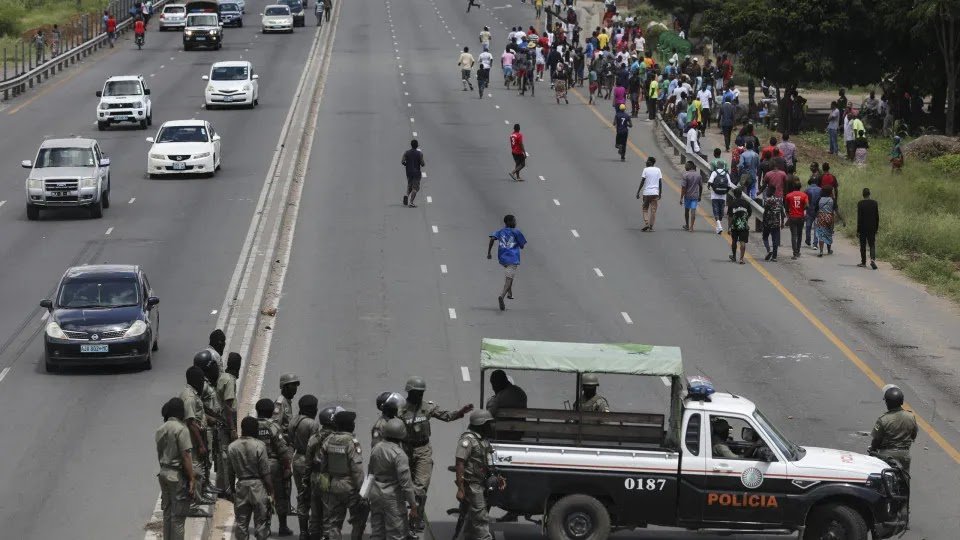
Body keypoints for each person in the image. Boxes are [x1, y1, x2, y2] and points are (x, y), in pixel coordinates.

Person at [320, 410, 367, 540]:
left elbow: (322, 467)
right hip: (350, 487)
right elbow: (357, 469)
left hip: (334, 486)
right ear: (349, 425)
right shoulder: (352, 442)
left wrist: (326, 488)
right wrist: (363, 493)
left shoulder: (328, 441)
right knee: (358, 520)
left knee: (334, 523)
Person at [368, 418, 418, 540]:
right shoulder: (399, 455)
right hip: (392, 498)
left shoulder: (376, 447)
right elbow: (406, 484)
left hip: (375, 494)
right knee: (396, 534)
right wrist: (413, 505)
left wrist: (366, 493)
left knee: (377, 532)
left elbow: (370, 472)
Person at [227, 416, 275, 540]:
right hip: (258, 486)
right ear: (255, 430)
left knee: (241, 524)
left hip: (241, 486)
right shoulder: (260, 445)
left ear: (242, 429)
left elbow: (230, 472)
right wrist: (271, 492)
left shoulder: (232, 447)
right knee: (261, 523)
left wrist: (232, 490)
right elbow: (265, 472)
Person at [156, 398, 197, 540]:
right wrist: (191, 478)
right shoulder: (181, 429)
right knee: (178, 518)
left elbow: (159, 453)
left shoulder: (160, 429)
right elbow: (186, 456)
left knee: (167, 514)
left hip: (163, 473)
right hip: (176, 476)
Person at [455, 411, 497, 540]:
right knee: (481, 518)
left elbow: (487, 460)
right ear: (480, 424)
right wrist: (460, 488)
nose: (491, 427)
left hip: (480, 483)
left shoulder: (482, 439)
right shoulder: (467, 440)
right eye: (488, 424)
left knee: (471, 519)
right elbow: (460, 463)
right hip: (472, 485)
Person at [255, 398, 294, 536]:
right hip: (273, 465)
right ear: (271, 412)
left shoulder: (251, 425)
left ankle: (264, 527)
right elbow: (282, 450)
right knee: (280, 495)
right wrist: (287, 467)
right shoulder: (273, 426)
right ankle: (282, 527)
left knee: (261, 497)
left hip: (255, 466)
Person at [180, 367, 215, 511]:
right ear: (195, 380)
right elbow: (191, 422)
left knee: (200, 466)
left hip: (197, 436)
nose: (202, 383)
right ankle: (194, 503)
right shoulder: (189, 397)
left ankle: (200, 497)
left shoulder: (193, 393)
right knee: (195, 469)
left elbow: (198, 415)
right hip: (192, 439)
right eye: (201, 380)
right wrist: (201, 444)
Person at [306, 407, 341, 538]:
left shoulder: (314, 438)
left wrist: (306, 480)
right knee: (329, 514)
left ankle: (314, 535)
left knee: (315, 513)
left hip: (314, 476)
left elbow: (308, 462)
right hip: (328, 477)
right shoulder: (336, 438)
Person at [290, 395, 320, 538]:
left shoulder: (293, 420)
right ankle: (314, 530)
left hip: (296, 459)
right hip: (308, 461)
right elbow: (314, 446)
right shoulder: (312, 424)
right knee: (313, 495)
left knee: (301, 495)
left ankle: (303, 532)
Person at [869, 387, 918, 473]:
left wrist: (873, 450)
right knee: (905, 478)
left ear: (887, 403)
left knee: (882, 477)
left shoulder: (883, 419)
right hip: (904, 454)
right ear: (902, 402)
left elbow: (876, 440)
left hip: (886, 454)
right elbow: (914, 435)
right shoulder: (911, 417)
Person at [487, 214, 527, 311]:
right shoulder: (516, 232)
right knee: (508, 280)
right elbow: (522, 246)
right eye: (514, 221)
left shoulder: (500, 231)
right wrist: (518, 244)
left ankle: (510, 293)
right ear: (509, 222)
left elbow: (492, 238)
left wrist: (489, 252)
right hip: (512, 258)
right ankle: (502, 296)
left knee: (510, 275)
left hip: (502, 258)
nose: (515, 222)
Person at [216, 352, 241, 495]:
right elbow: (228, 406)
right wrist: (232, 429)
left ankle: (221, 487)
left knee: (221, 456)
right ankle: (228, 489)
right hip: (226, 423)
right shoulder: (230, 380)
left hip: (221, 421)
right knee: (227, 456)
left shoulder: (223, 377)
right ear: (237, 366)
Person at [636, 156, 662, 232]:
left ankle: (646, 222)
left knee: (645, 209)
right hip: (655, 193)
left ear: (650, 162)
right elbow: (660, 182)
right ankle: (651, 227)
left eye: (647, 161)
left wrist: (638, 191)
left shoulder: (645, 170)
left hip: (646, 193)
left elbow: (642, 181)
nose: (646, 162)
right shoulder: (658, 170)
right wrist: (660, 193)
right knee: (653, 210)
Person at [815, 185, 842, 257]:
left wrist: (817, 216)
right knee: (829, 233)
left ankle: (821, 251)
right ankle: (829, 250)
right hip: (830, 217)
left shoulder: (819, 199)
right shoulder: (832, 199)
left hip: (821, 217)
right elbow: (836, 211)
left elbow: (816, 210)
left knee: (821, 234)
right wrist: (841, 219)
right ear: (830, 192)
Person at [707, 163, 734, 234]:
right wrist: (726, 191)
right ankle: (718, 227)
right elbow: (730, 185)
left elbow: (710, 181)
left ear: (717, 167)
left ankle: (719, 226)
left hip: (714, 195)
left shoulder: (714, 172)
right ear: (723, 167)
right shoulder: (726, 174)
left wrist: (709, 187)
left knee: (715, 211)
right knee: (721, 211)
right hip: (723, 196)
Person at [784, 181, 808, 259]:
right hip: (801, 217)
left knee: (793, 235)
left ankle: (795, 253)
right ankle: (798, 250)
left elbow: (786, 206)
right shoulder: (804, 195)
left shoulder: (788, 195)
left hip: (792, 217)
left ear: (793, 187)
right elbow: (807, 205)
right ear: (800, 187)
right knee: (800, 234)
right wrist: (802, 209)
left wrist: (788, 212)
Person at [857, 188, 879, 269]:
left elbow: (859, 218)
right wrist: (876, 228)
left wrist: (858, 230)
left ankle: (863, 262)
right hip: (872, 227)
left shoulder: (860, 203)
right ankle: (872, 260)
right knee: (872, 244)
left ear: (863, 194)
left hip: (863, 227)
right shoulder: (874, 203)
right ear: (869, 194)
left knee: (863, 245)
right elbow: (877, 217)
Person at [761, 185, 785, 261]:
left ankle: (768, 250)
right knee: (775, 240)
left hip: (768, 223)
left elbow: (765, 212)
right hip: (777, 223)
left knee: (765, 237)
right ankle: (774, 257)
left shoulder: (768, 201)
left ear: (769, 191)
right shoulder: (779, 200)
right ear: (774, 191)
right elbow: (782, 212)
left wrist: (763, 222)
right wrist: (782, 222)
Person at [728, 187, 751, 264]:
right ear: (741, 194)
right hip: (743, 225)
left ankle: (734, 256)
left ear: (734, 194)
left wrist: (729, 227)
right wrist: (745, 219)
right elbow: (749, 213)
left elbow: (730, 217)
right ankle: (741, 259)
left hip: (734, 226)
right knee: (742, 242)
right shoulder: (746, 203)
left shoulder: (732, 203)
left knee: (734, 241)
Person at [401, 139, 425, 207]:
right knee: (415, 188)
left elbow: (402, 161)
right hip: (416, 173)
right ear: (417, 145)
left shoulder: (406, 152)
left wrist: (407, 165)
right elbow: (422, 164)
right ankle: (411, 202)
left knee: (410, 185)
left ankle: (406, 195)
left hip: (409, 172)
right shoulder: (419, 153)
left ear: (411, 145)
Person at [680, 161, 701, 232]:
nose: (685, 167)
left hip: (687, 196)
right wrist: (700, 195)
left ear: (690, 166)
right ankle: (691, 227)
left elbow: (683, 188)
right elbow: (701, 186)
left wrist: (681, 198)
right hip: (695, 196)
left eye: (686, 165)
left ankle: (687, 225)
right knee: (693, 211)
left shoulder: (686, 175)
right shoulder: (698, 175)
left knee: (687, 211)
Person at [804, 177, 822, 249]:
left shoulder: (807, 190)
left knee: (808, 226)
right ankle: (815, 243)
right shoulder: (820, 190)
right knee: (816, 227)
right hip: (818, 210)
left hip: (809, 210)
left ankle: (808, 240)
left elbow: (805, 201)